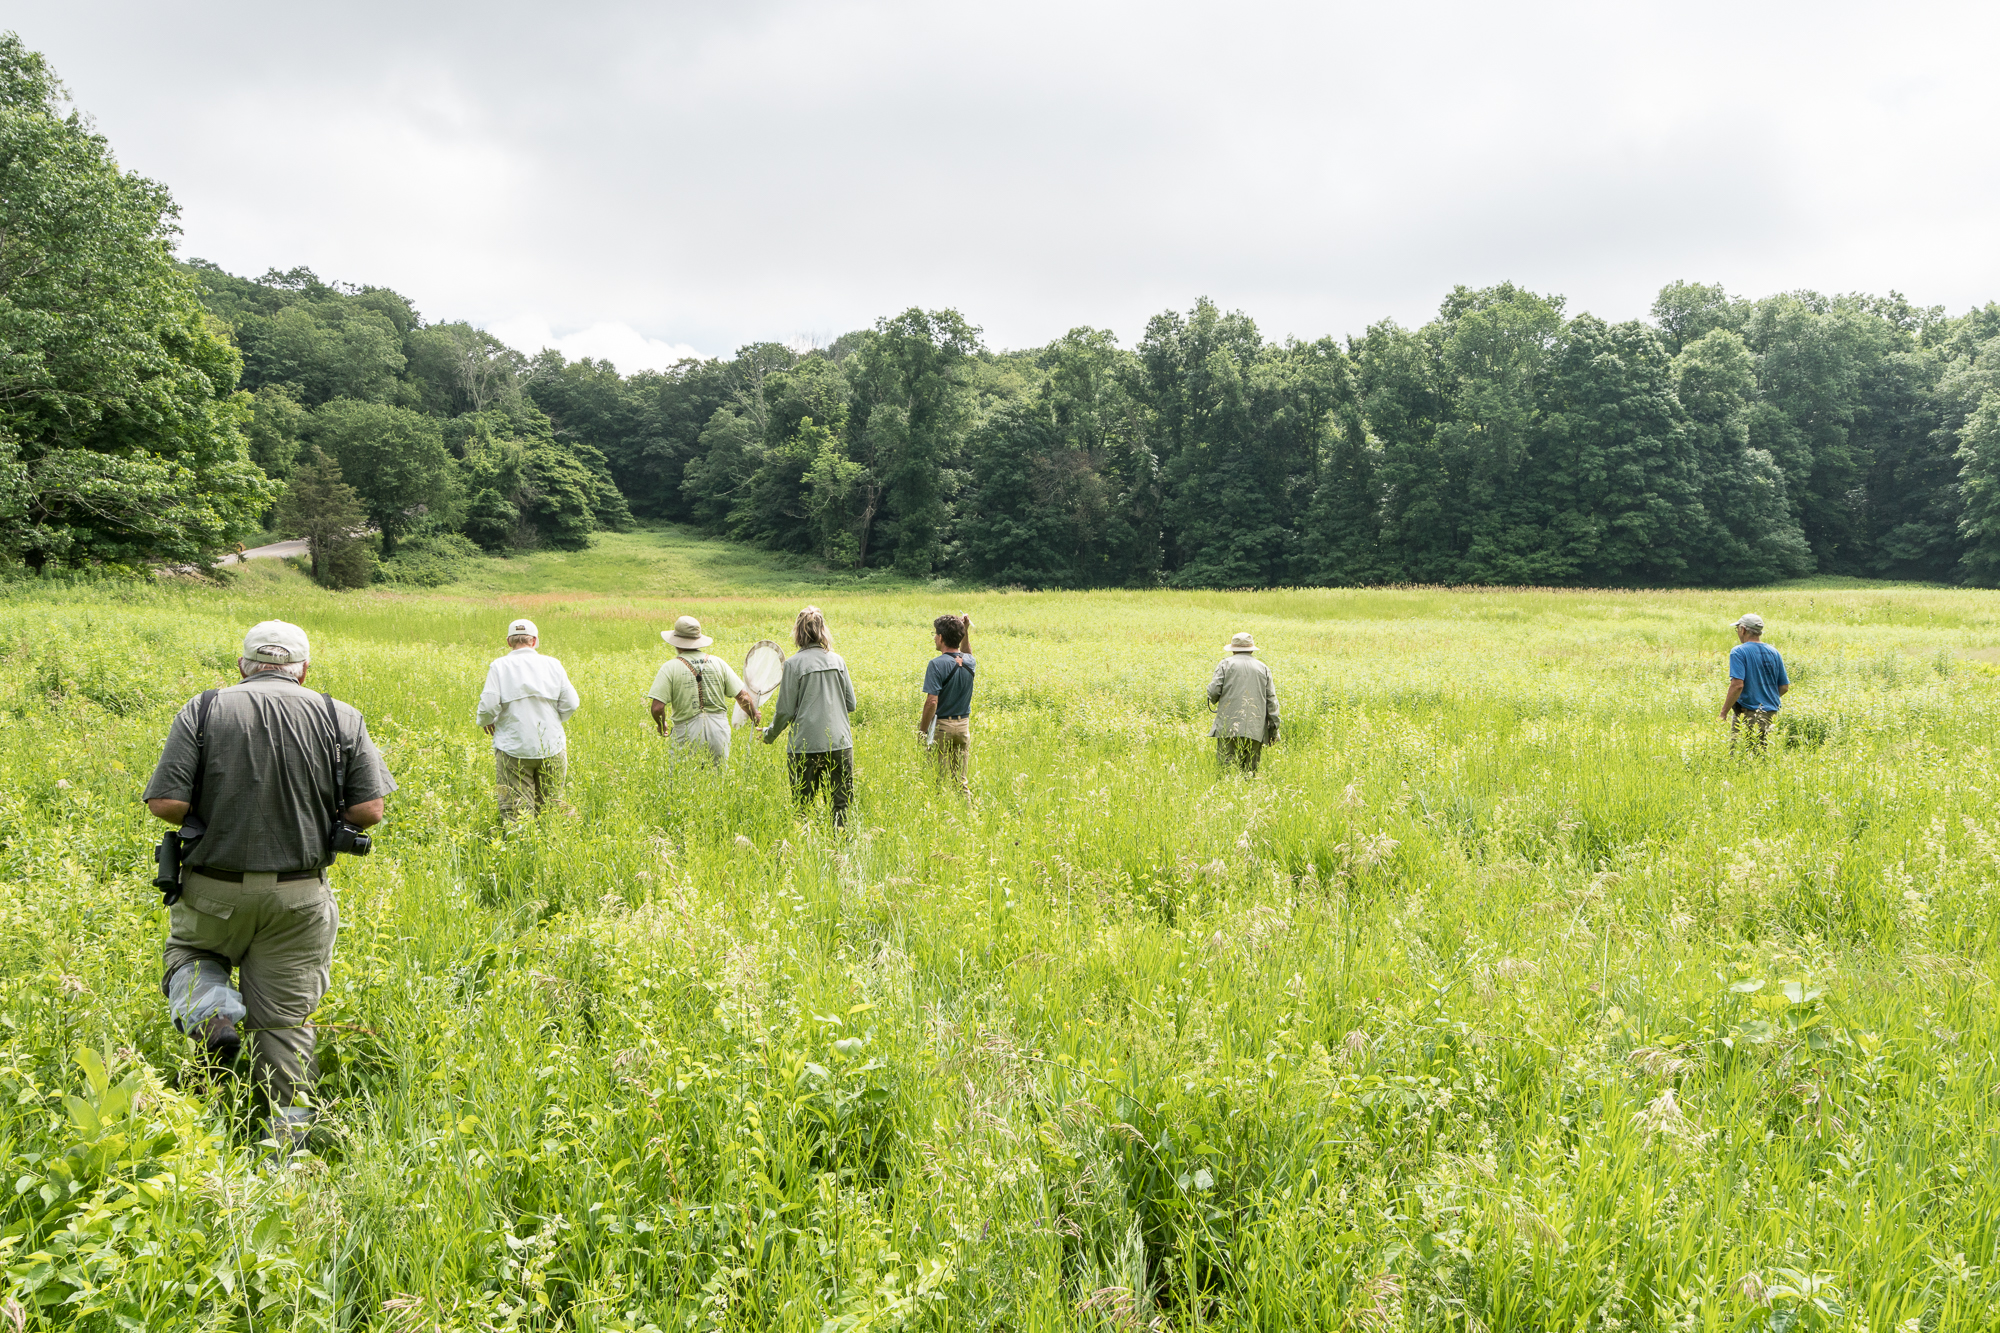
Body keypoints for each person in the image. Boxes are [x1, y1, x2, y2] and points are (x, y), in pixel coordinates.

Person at [141, 620, 395, 1147]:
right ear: (303, 669)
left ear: (243, 666)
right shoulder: (338, 715)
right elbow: (370, 809)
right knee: (284, 1024)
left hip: (213, 887)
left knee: (188, 954)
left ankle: (212, 1015)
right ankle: (289, 1154)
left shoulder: (205, 709)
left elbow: (167, 804)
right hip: (300, 896)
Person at [476, 618, 580, 818]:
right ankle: (550, 843)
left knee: (516, 808)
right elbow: (572, 703)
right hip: (551, 745)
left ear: (509, 642)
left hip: (513, 747)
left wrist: (486, 720)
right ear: (534, 641)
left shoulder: (499, 666)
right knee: (551, 805)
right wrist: (556, 720)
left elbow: (488, 704)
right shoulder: (553, 664)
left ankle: (521, 845)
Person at [763, 606, 857, 824]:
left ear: (798, 632)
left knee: (803, 806)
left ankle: (807, 850)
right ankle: (840, 851)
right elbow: (851, 704)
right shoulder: (838, 661)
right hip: (840, 743)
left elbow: (785, 711)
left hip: (804, 745)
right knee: (841, 805)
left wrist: (769, 734)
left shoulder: (793, 664)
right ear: (823, 630)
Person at [648, 616, 761, 764]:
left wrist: (661, 724)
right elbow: (743, 697)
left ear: (676, 641)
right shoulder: (718, 663)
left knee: (684, 778)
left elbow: (657, 708)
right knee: (717, 777)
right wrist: (754, 714)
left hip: (686, 731)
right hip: (718, 731)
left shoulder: (670, 667)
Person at [916, 613, 975, 797]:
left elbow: (932, 702)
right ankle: (968, 817)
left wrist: (922, 732)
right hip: (963, 727)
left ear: (941, 638)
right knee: (960, 781)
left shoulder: (936, 664)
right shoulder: (970, 662)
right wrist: (965, 630)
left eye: (935, 634)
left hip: (942, 728)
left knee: (938, 780)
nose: (934, 637)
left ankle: (942, 819)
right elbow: (966, 653)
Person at [1208, 631, 1279, 773]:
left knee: (1226, 770)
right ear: (1251, 649)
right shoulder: (1263, 668)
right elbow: (1272, 701)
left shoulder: (1225, 665)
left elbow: (1213, 692)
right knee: (1250, 772)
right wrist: (1274, 728)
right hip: (1255, 728)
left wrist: (1215, 698)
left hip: (1228, 727)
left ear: (1233, 649)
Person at [1720, 612, 1789, 749]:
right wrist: (1765, 698)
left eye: (1738, 629)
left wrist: (1723, 713)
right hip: (1771, 714)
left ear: (1743, 629)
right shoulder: (1774, 652)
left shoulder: (1739, 652)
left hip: (1748, 714)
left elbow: (1737, 685)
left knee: (1741, 756)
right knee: (1762, 756)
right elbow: (1784, 687)